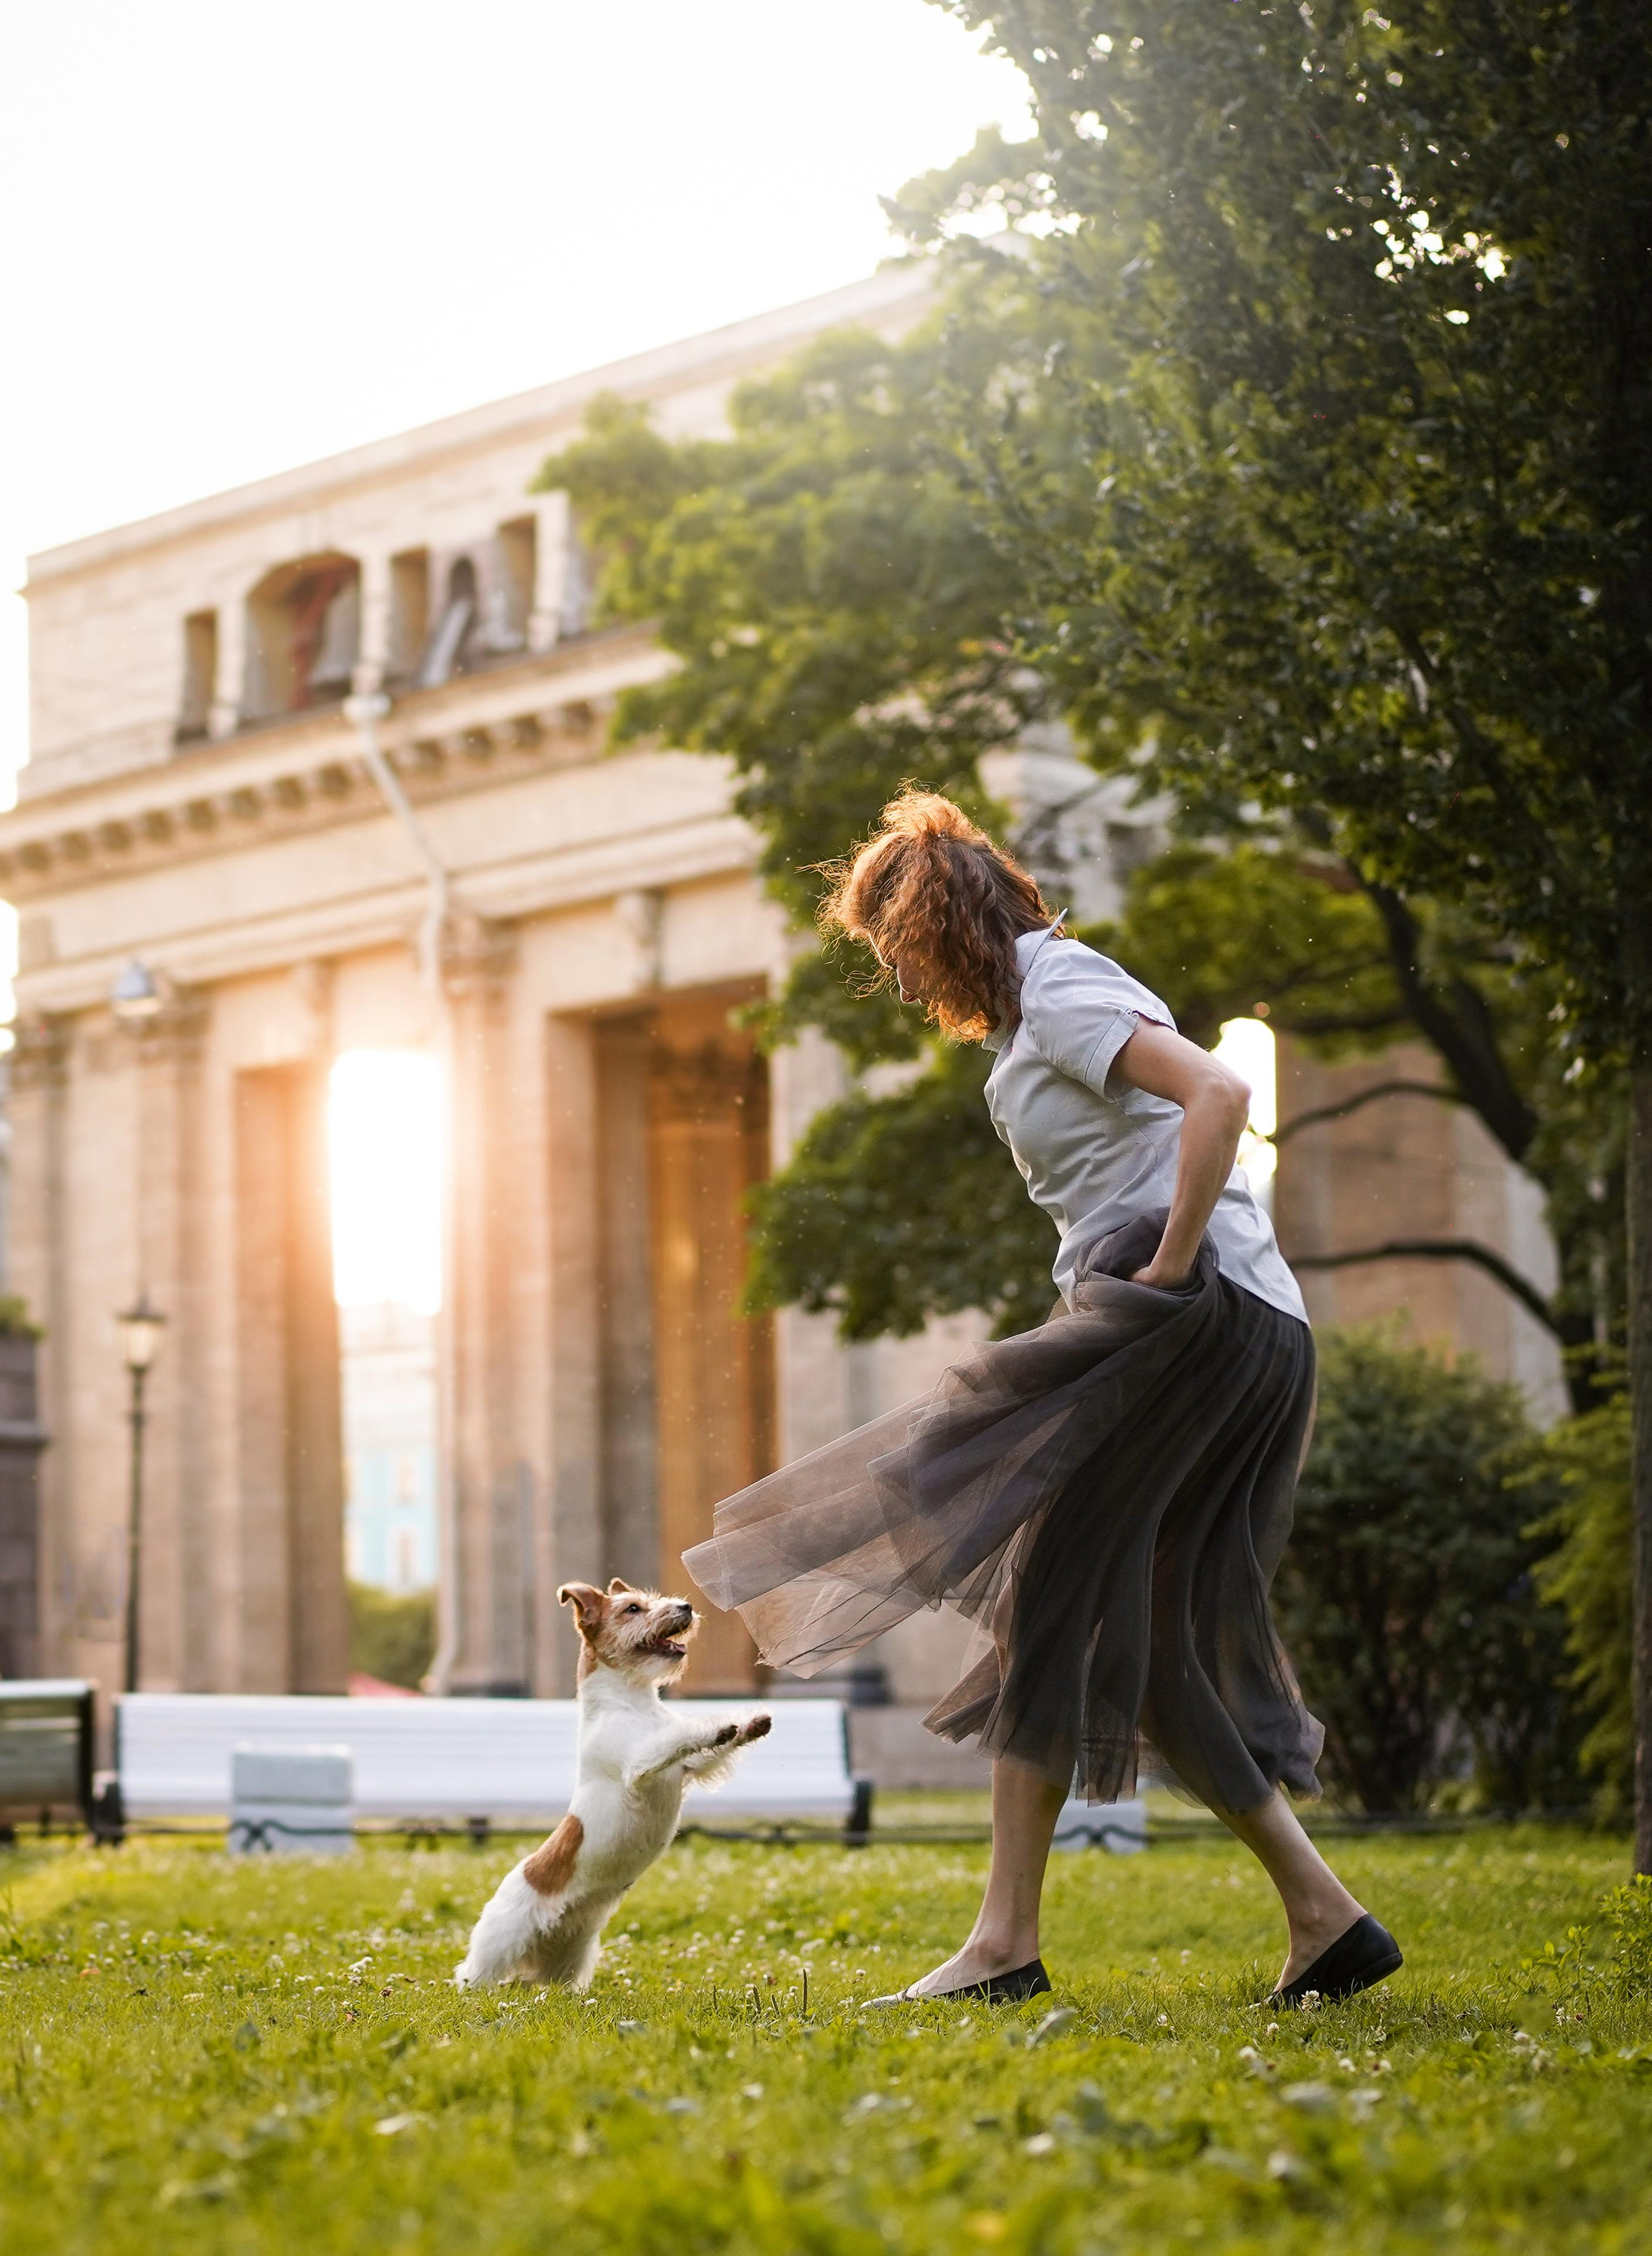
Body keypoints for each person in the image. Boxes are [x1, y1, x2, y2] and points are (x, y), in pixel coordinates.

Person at [684, 790, 1399, 2009]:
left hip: (1189, 1323)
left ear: (945, 920)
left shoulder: (1060, 986)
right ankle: (1325, 1920)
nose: (903, 985)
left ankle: (1005, 1945)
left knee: (1049, 1596)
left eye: (899, 952)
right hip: (1219, 1322)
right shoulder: (1041, 1008)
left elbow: (1220, 1095)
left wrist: (1166, 1269)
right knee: (1115, 1631)